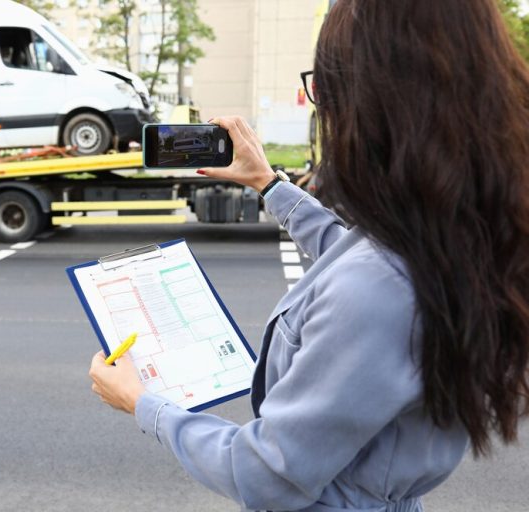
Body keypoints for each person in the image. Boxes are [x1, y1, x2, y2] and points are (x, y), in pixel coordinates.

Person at [88, 1, 529, 511]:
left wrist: (143, 403)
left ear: (376, 102)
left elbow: (265, 472)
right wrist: (269, 184)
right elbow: (358, 256)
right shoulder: (462, 231)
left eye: (324, 88)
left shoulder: (380, 290)